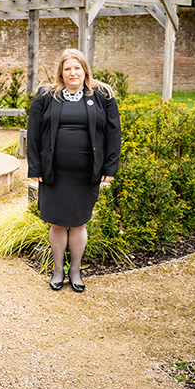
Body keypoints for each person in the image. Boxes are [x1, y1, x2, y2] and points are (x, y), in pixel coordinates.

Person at [26, 48, 121, 293]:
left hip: (85, 173)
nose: (72, 73)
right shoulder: (46, 96)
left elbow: (113, 134)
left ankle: (75, 271)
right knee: (57, 223)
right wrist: (35, 167)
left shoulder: (102, 95)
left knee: (78, 223)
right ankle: (58, 270)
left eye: (77, 68)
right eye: (67, 68)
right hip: (53, 173)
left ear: (85, 70)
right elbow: (34, 134)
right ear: (61, 71)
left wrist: (110, 167)